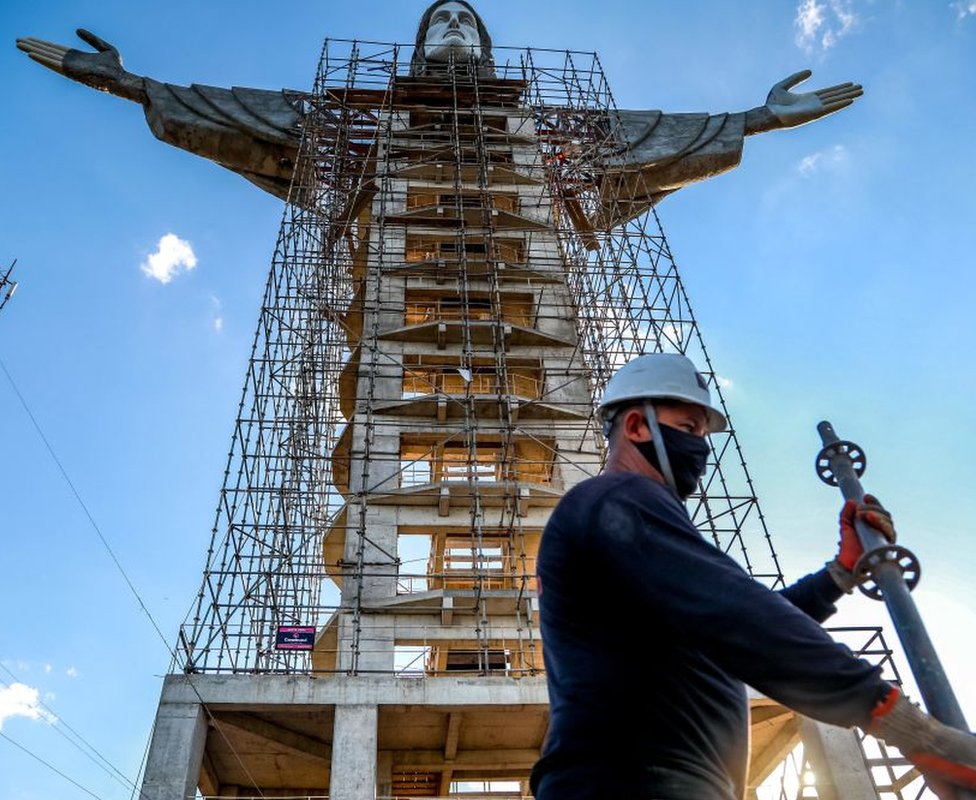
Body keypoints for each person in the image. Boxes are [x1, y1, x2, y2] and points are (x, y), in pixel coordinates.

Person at [531, 352, 976, 800]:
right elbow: (738, 615)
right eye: (688, 428)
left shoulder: (639, 543)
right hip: (628, 783)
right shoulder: (616, 497)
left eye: (704, 434)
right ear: (636, 427)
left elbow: (737, 628)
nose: (700, 447)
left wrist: (840, 574)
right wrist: (910, 728)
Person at [16, 1, 862, 220]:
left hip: (523, 292)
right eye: (439, 21)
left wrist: (755, 117)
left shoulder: (555, 134)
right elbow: (242, 113)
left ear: (488, 50)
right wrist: (127, 83)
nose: (453, 27)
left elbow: (657, 135)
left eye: (466, 20)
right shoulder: (350, 122)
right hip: (400, 273)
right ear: (420, 47)